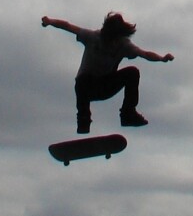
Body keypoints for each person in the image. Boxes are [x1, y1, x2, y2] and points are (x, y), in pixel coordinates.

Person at [41, 11, 174, 134]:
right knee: (82, 80)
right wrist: (50, 21)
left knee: (132, 72)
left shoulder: (124, 45)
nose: (109, 42)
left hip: (106, 85)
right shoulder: (93, 37)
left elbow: (144, 54)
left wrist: (162, 58)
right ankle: (83, 120)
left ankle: (128, 114)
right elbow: (68, 26)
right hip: (87, 88)